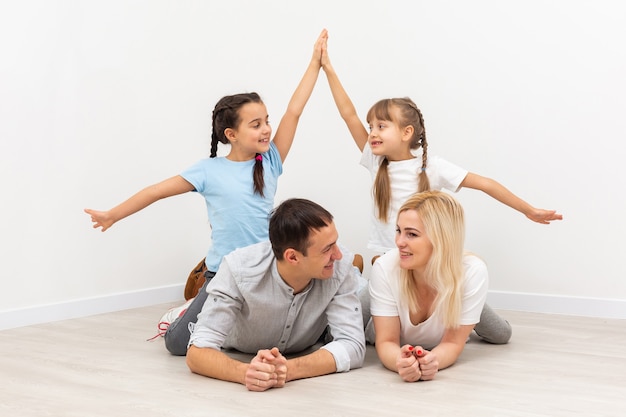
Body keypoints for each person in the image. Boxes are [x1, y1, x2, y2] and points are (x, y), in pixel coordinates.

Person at [84, 30, 328, 348]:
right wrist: (112, 215)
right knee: (176, 343)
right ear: (231, 133)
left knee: (294, 335)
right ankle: (189, 309)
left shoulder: (269, 161)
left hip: (268, 271)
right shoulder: (208, 171)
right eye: (256, 124)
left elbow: (294, 111)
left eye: (266, 120)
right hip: (223, 273)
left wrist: (315, 64)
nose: (267, 128)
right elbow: (155, 191)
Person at [320, 35, 563, 344]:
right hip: (393, 267)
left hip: (436, 271)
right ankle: (359, 285)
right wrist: (328, 68)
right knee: (351, 330)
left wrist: (528, 209)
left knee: (500, 335)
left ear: (407, 133)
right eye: (371, 127)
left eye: (382, 126)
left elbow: (485, 183)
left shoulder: (431, 167)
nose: (372, 133)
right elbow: (348, 114)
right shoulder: (375, 162)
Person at [185, 198, 366, 391]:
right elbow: (197, 353)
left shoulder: (341, 265)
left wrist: (287, 369)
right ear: (293, 257)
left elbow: (353, 345)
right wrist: (246, 373)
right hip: (236, 344)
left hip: (305, 338)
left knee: (365, 304)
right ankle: (186, 307)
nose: (338, 255)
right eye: (327, 249)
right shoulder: (238, 268)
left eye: (335, 243)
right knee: (176, 343)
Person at [370, 190, 489, 381]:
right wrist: (400, 363)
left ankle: (476, 309)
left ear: (441, 240)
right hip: (383, 295)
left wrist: (432, 361)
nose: (399, 242)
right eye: (399, 230)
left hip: (452, 286)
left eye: (412, 234)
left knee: (501, 334)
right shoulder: (384, 267)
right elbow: (386, 342)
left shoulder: (474, 272)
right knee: (356, 309)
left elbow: (452, 343)